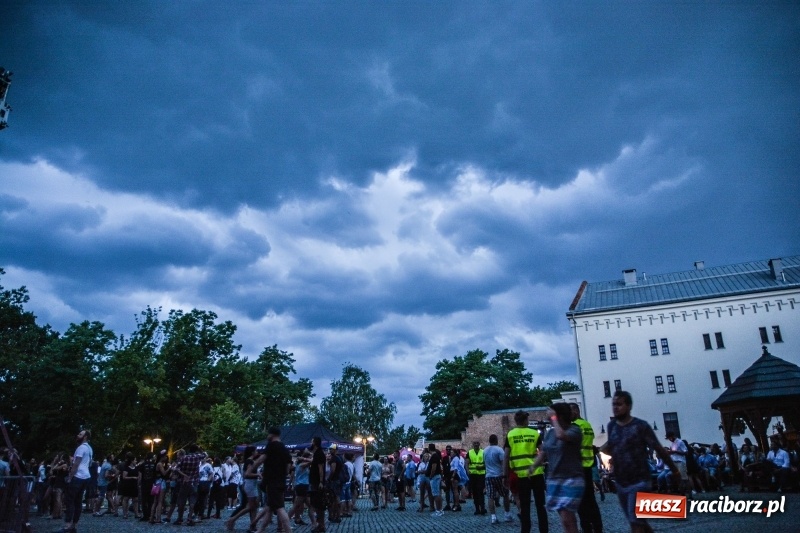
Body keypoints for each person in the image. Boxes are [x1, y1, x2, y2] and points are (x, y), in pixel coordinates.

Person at [601, 391, 680, 533]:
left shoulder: (640, 426)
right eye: (614, 404)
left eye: (619, 404)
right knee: (639, 522)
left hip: (640, 480)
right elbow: (613, 445)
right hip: (621, 481)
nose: (615, 407)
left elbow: (658, 448)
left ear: (629, 406)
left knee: (635, 522)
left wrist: (674, 469)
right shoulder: (611, 426)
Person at [531, 404, 583, 533]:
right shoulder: (550, 433)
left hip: (572, 478)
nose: (548, 417)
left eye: (552, 414)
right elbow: (544, 452)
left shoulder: (574, 430)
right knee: (565, 519)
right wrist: (533, 467)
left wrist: (553, 418)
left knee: (567, 517)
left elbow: (562, 436)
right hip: (554, 479)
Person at [504, 410, 547, 533]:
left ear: (516, 421)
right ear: (526, 420)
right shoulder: (534, 433)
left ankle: (525, 530)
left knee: (525, 506)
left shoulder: (510, 435)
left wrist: (505, 475)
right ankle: (544, 530)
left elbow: (506, 456)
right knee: (540, 506)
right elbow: (543, 451)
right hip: (537, 473)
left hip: (521, 475)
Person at [570, 403, 603, 533]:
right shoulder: (587, 425)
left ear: (576, 412)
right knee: (591, 500)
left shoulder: (576, 426)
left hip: (579, 467)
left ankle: (586, 528)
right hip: (588, 466)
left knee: (581, 502)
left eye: (570, 411)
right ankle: (597, 526)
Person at [254, 427, 294, 533]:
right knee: (270, 508)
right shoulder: (284, 448)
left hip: (272, 481)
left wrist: (252, 467)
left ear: (272, 434)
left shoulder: (271, 445)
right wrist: (283, 473)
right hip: (280, 481)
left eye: (268, 434)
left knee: (280, 508)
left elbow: (262, 459)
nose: (267, 436)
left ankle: (288, 531)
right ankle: (260, 530)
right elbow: (288, 466)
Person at [63, 429, 93, 533]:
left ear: (85, 437)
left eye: (80, 434)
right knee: (78, 501)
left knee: (70, 500)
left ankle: (67, 525)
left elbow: (76, 464)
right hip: (86, 476)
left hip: (78, 476)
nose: (78, 435)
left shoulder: (81, 448)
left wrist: (70, 477)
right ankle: (74, 525)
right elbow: (89, 463)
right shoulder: (90, 448)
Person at [484, 434, 512, 524]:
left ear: (489, 441)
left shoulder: (485, 450)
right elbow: (503, 463)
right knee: (505, 495)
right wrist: (505, 475)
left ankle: (493, 517)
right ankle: (507, 515)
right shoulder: (499, 450)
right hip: (499, 475)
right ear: (496, 440)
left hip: (489, 476)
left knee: (490, 497)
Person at [308, 437, 327, 533]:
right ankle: (320, 525)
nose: (310, 443)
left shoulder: (319, 453)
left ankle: (321, 526)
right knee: (317, 504)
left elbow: (320, 468)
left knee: (319, 504)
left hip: (317, 483)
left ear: (315, 443)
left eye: (311, 441)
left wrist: (320, 481)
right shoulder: (317, 453)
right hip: (315, 482)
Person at [466, 440, 486, 515]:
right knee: (474, 492)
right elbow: (467, 462)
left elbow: (486, 462)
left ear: (479, 444)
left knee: (480, 491)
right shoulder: (469, 452)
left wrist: (482, 467)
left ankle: (483, 507)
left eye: (477, 443)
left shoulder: (483, 452)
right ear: (473, 444)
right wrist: (468, 471)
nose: (476, 444)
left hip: (481, 474)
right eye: (475, 443)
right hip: (473, 474)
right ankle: (477, 508)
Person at [426, 443, 444, 517]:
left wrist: (431, 476)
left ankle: (438, 510)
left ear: (429, 449)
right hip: (436, 476)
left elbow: (434, 467)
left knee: (436, 494)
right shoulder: (436, 456)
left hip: (435, 477)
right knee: (437, 493)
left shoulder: (434, 456)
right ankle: (440, 509)